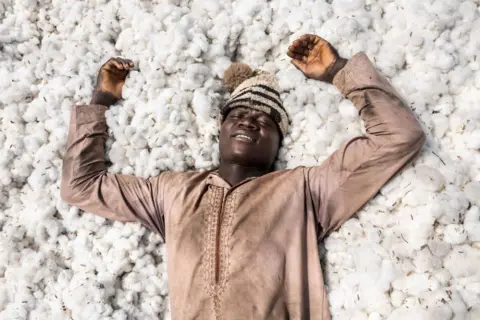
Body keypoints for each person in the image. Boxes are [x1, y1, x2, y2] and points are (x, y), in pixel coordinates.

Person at [61, 34, 425, 319]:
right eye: (238, 114)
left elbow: (398, 136)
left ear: (279, 142)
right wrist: (100, 101)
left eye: (267, 120)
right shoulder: (172, 191)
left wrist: (338, 71)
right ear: (220, 129)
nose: (251, 121)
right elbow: (81, 186)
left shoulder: (303, 190)